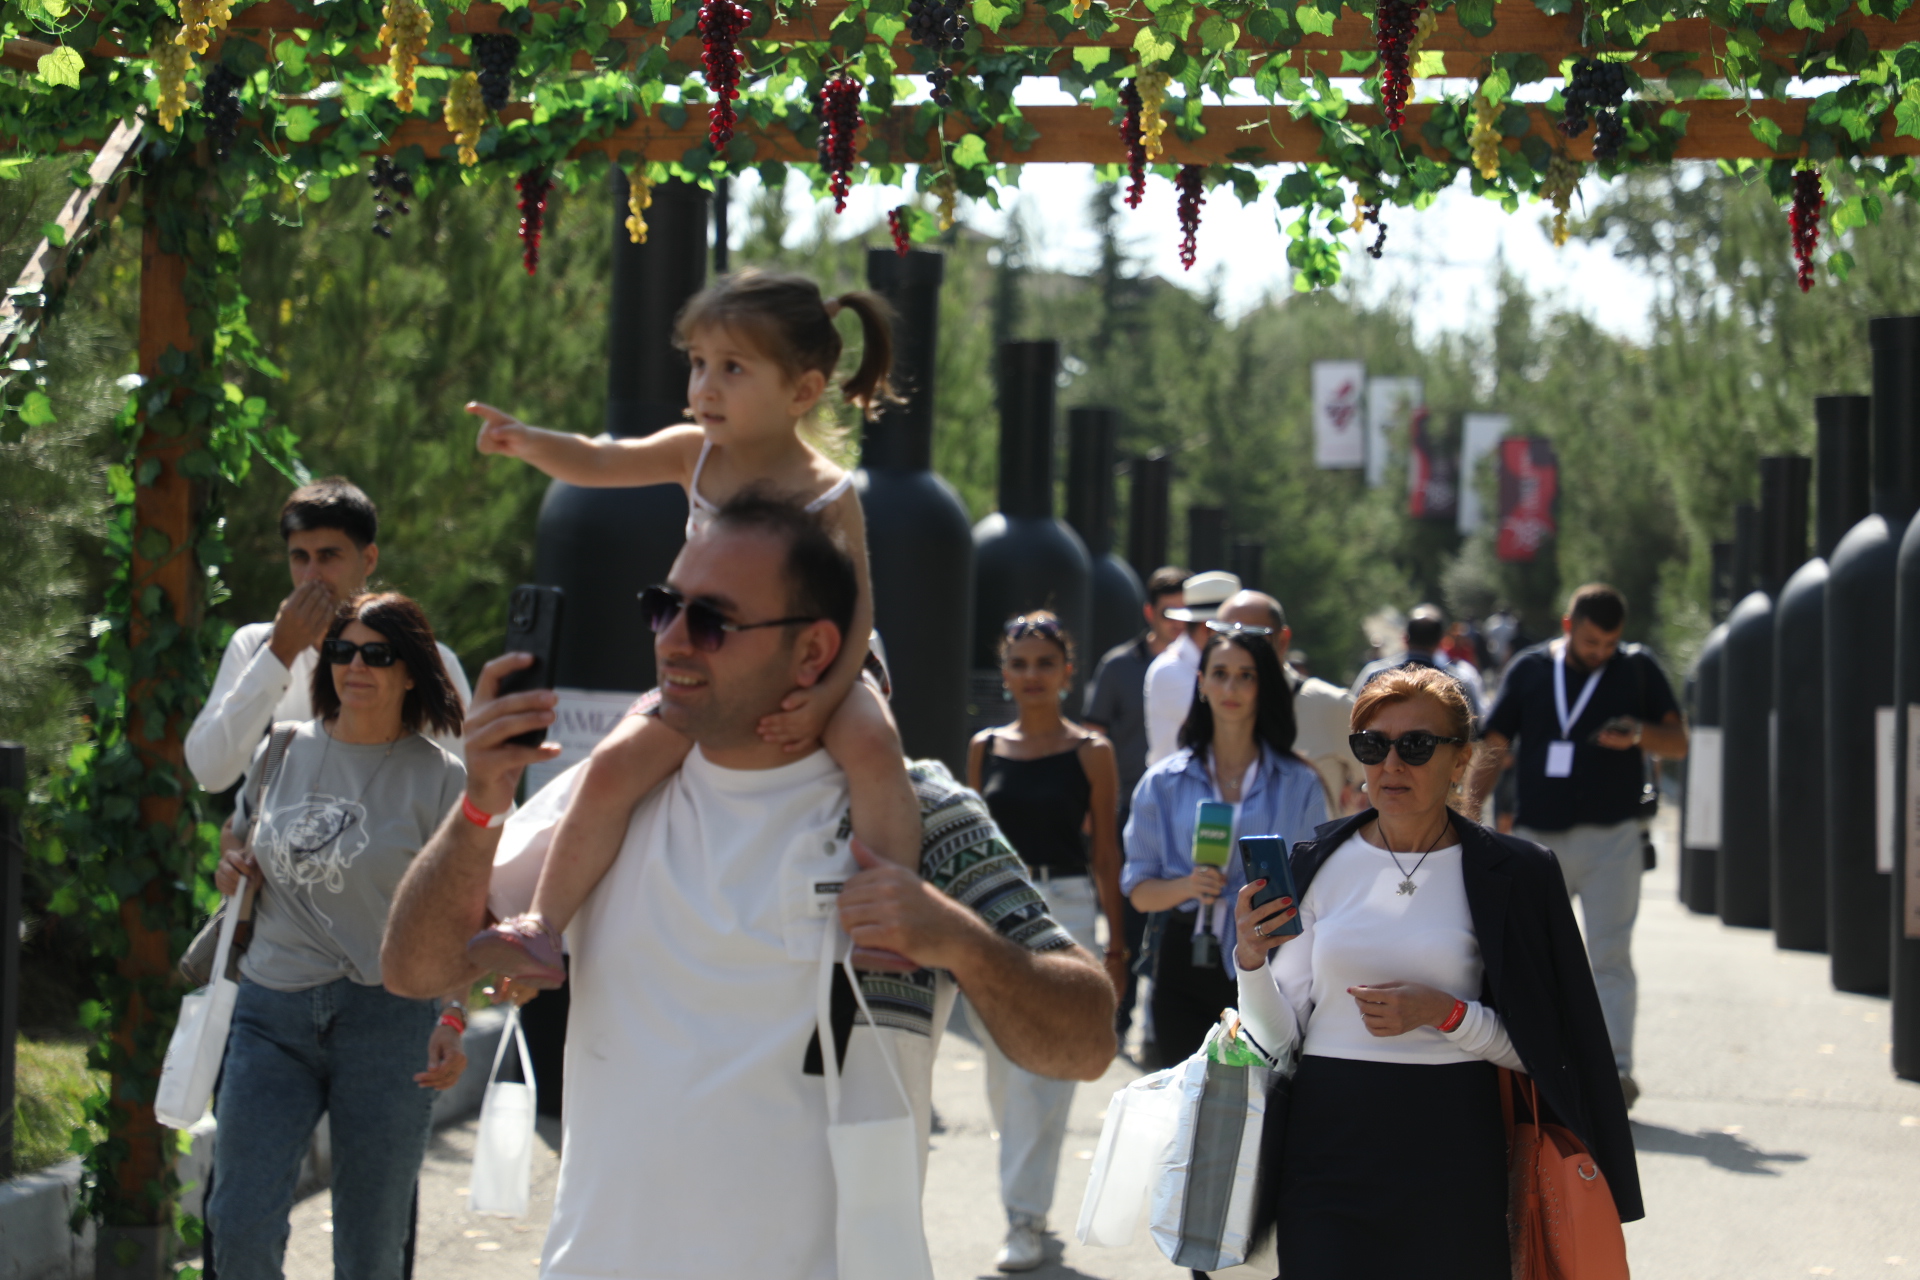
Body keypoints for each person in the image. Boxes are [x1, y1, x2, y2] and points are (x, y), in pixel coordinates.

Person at [379, 493, 1117, 1279]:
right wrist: (478, 805)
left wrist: (955, 939)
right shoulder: (609, 797)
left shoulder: (915, 817)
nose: (671, 641)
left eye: (713, 622)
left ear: (814, 657)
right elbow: (415, 970)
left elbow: (1085, 1040)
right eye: (664, 609)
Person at [464, 270, 925, 987]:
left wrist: (829, 693)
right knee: (615, 763)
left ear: (801, 391)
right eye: (698, 363)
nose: (704, 386)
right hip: (716, 666)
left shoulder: (828, 489)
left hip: (816, 660)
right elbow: (597, 458)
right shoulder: (694, 453)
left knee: (872, 743)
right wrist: (528, 442)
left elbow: (859, 610)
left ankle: (893, 918)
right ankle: (540, 927)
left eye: (732, 368)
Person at [1234, 665, 1643, 1279]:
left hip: (1454, 1142)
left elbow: (1548, 1049)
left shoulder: (1517, 874)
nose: (1391, 764)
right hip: (1328, 1141)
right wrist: (1249, 963)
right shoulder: (1317, 863)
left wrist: (1445, 1013)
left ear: (1461, 761)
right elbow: (1276, 1040)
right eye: (1372, 745)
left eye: (1417, 746)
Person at [208, 592, 473, 1280]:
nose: (356, 666)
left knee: (369, 1248)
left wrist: (452, 1014)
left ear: (412, 670)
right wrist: (231, 862)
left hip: (390, 1018)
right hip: (272, 1011)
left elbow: (460, 911)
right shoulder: (282, 747)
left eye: (377, 654)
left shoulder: (442, 779)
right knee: (236, 1226)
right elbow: (236, 836)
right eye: (342, 651)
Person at [1466, 583, 1688, 1107]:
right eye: (1592, 643)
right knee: (1529, 957)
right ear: (1568, 627)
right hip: (1538, 841)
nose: (1601, 653)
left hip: (1613, 839)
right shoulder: (1530, 668)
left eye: (1610, 644)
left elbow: (1677, 742)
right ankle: (1532, 1064)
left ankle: (1614, 1073)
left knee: (1610, 955)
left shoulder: (1636, 669)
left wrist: (1638, 733)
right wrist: (1469, 814)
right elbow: (1495, 744)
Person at [967, 611, 1126, 1272]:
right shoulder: (983, 748)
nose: (1032, 676)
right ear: (1005, 674)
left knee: (1044, 1070)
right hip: (994, 911)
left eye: (1044, 663)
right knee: (1004, 1076)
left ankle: (1024, 1219)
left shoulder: (1093, 750)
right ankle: (1024, 1190)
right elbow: (966, 842)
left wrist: (1116, 944)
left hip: (1063, 909)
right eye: (1019, 663)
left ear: (1067, 672)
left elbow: (1107, 853)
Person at [187, 477, 471, 793]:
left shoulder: (425, 659)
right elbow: (209, 773)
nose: (311, 576)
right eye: (300, 557)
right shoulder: (255, 646)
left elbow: (466, 789)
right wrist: (279, 653)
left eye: (328, 556)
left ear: (368, 559)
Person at [1122, 626, 1326, 1064]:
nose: (1231, 687)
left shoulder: (1300, 783)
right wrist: (1189, 886)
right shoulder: (1163, 781)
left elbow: (1319, 888)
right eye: (1219, 673)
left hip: (1270, 962)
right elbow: (1138, 890)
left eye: (1246, 676)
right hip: (1181, 958)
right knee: (1182, 1109)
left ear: (1263, 686)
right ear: (1201, 683)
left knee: (1258, 1109)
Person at [1082, 564, 1187, 1050]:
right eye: (1169, 612)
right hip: (1128, 805)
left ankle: (1158, 1024)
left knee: (1179, 915)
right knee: (1128, 916)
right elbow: (1095, 731)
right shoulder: (1119, 666)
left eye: (1186, 612)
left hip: (1184, 809)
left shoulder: (1206, 665)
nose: (1177, 622)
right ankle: (1118, 1019)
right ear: (1150, 612)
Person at [1215, 589, 1365, 815]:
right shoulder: (1210, 706)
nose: (1238, 648)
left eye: (1253, 636)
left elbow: (1381, 779)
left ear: (1283, 640)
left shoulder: (1329, 706)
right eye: (1224, 635)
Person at [1142, 569, 1241, 767]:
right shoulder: (1170, 670)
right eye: (1234, 629)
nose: (1241, 638)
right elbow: (1235, 724)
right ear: (1208, 628)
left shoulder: (1184, 664)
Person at [1350, 602, 1486, 719]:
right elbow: (1474, 728)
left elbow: (1349, 712)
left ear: (1404, 638)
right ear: (1440, 642)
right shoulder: (1458, 683)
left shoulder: (1374, 675)